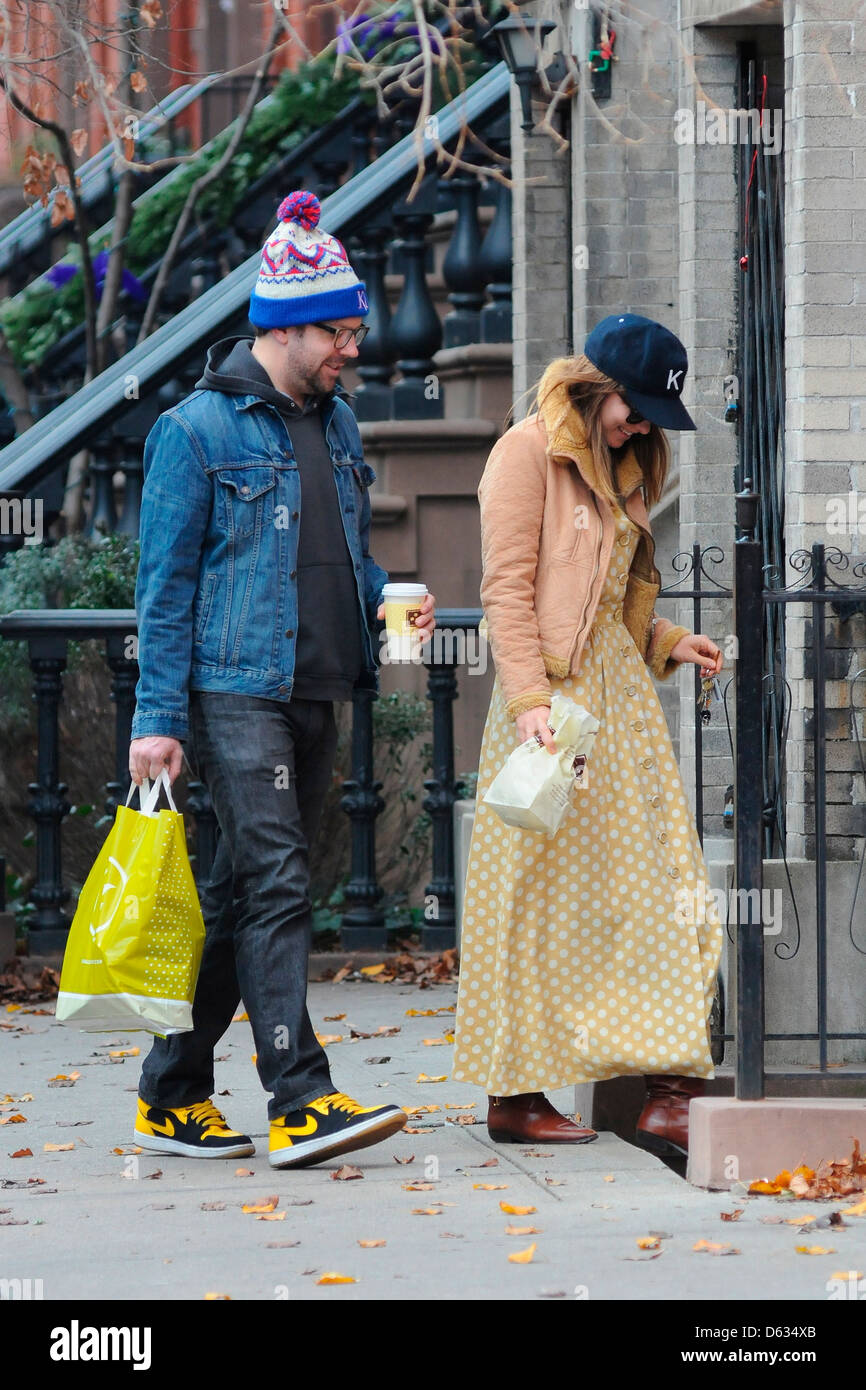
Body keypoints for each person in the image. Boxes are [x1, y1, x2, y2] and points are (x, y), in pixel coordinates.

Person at [127, 189, 436, 1169]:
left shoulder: (336, 425)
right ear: (287, 327)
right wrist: (156, 718)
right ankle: (299, 1096)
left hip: (316, 687)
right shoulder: (194, 432)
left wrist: (392, 593)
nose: (353, 344)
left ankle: (171, 1093)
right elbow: (164, 591)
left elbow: (339, 553)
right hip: (234, 689)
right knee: (278, 880)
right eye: (340, 329)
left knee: (238, 895)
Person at [452, 314, 723, 1157]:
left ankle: (668, 1089)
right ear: (594, 384)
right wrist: (530, 698)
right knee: (530, 897)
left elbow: (617, 599)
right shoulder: (527, 451)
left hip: (620, 700)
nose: (639, 425)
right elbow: (506, 588)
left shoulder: (627, 463)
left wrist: (668, 640)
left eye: (649, 416)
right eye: (632, 409)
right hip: (551, 704)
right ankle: (515, 1094)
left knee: (662, 886)